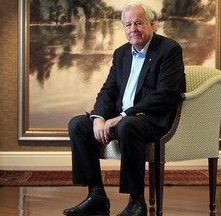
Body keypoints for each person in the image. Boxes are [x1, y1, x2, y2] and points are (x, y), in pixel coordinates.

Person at [63, 2, 186, 216]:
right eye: (128, 24)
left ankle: (136, 202)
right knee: (78, 125)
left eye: (138, 23)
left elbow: (165, 94)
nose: (133, 29)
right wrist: (99, 117)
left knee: (127, 126)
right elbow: (108, 91)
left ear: (151, 24)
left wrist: (123, 116)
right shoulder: (121, 54)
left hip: (151, 118)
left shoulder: (169, 49)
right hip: (121, 117)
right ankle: (96, 195)